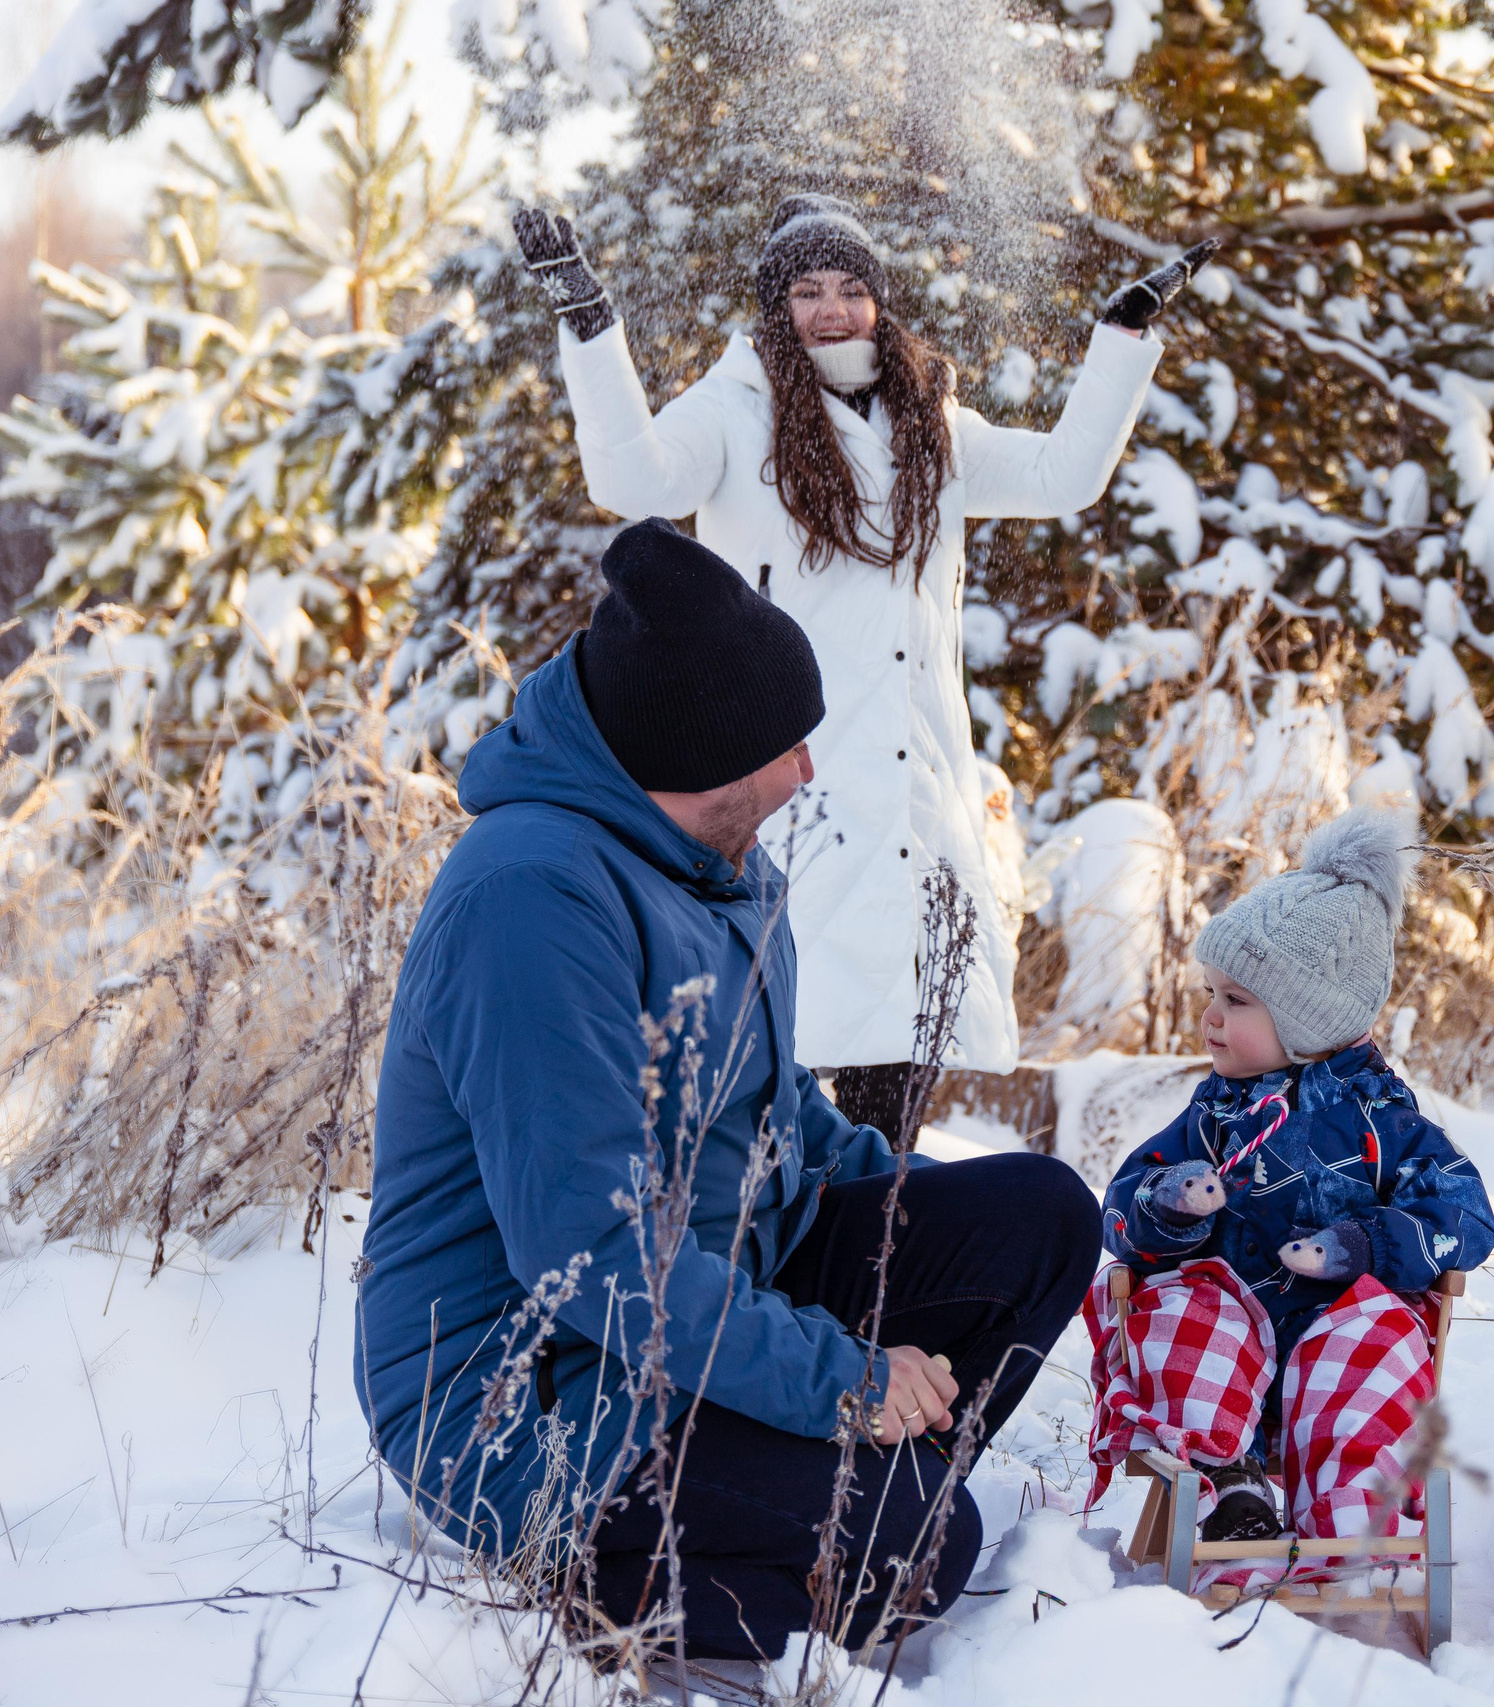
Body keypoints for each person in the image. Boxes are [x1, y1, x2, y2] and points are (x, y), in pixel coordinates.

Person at [357, 520, 1101, 1693]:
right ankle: (618, 1568)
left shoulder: (711, 852)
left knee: (1044, 1214)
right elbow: (589, 1254)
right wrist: (838, 1378)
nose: (807, 772)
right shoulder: (532, 903)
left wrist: (894, 1194)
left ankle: (820, 1506)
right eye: (780, 748)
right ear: (690, 756)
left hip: (711, 1287)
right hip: (538, 1392)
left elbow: (770, 1100)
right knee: (920, 1549)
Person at [513, 193, 1212, 1138]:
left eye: (851, 288)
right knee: (774, 1053)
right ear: (777, 305)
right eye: (807, 290)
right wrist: (589, 323)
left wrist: (1120, 338)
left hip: (912, 784)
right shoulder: (735, 410)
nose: (832, 310)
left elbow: (1062, 479)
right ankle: (785, 1261)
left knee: (897, 1066)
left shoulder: (933, 426)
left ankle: (877, 1274)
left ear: (880, 301)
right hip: (785, 774)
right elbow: (630, 482)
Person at [1091, 809, 1494, 1546]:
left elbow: (1465, 1213)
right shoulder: (1215, 1115)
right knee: (1186, 1308)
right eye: (1212, 993)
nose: (1211, 1016)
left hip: (1335, 1349)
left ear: (1313, 1018)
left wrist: (1367, 1244)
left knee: (1375, 1336)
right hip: (1228, 1354)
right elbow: (1120, 1209)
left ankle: (1352, 1518)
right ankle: (1227, 1486)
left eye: (1237, 1000)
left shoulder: (1383, 1121)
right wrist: (1169, 1204)